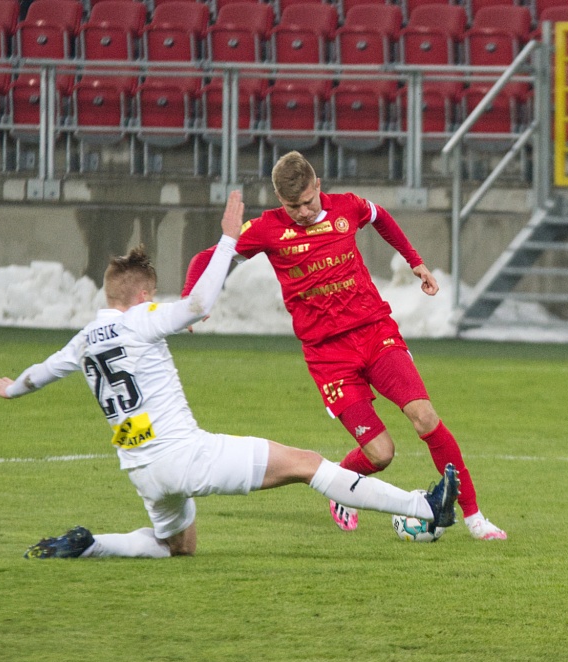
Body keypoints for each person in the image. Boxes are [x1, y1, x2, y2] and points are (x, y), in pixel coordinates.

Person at [0, 190, 460, 559]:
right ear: (141, 297)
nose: (157, 302)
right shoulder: (144, 319)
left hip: (141, 468)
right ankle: (423, 506)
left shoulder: (84, 339)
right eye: (153, 295)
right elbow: (197, 304)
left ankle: (92, 544)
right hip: (186, 455)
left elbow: (41, 373)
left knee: (177, 546)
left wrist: (12, 388)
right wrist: (229, 239)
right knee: (308, 465)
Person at [182, 152, 506, 540]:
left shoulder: (347, 207)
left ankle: (474, 517)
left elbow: (381, 217)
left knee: (425, 417)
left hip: (375, 333)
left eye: (307, 201)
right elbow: (207, 257)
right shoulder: (267, 229)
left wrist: (415, 261)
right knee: (381, 454)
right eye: (292, 206)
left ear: (317, 186)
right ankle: (342, 487)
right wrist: (192, 301)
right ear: (279, 200)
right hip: (328, 357)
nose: (302, 212)